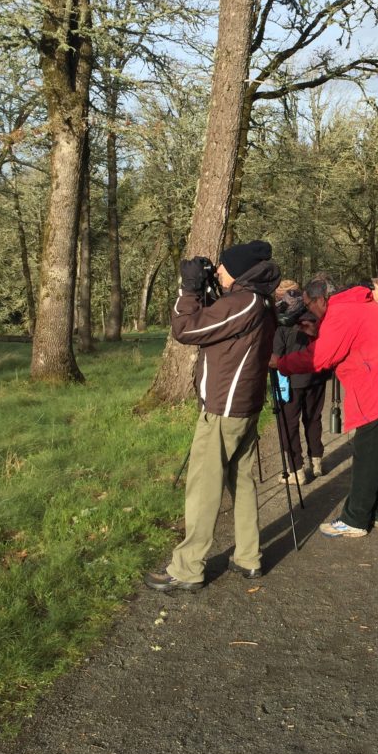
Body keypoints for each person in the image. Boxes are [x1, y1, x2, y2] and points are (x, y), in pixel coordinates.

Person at [144, 241, 281, 593]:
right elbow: (217, 329)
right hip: (243, 405)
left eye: (222, 266)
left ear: (238, 270)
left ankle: (188, 569)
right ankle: (248, 557)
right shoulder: (258, 300)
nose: (217, 270)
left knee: (204, 488)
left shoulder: (244, 302)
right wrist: (207, 293)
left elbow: (186, 330)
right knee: (241, 481)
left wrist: (188, 289)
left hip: (223, 408)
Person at [271, 276, 378, 537]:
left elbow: (320, 358)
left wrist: (281, 363)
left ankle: (355, 518)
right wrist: (317, 332)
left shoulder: (340, 312)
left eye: (310, 304)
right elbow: (348, 340)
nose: (309, 310)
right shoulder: (356, 304)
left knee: (367, 456)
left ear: (321, 299)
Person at [273, 288, 329, 485]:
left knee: (288, 424)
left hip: (291, 380)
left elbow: (275, 357)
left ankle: (296, 469)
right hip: (317, 377)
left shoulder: (283, 325)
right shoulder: (317, 319)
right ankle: (317, 462)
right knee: (313, 418)